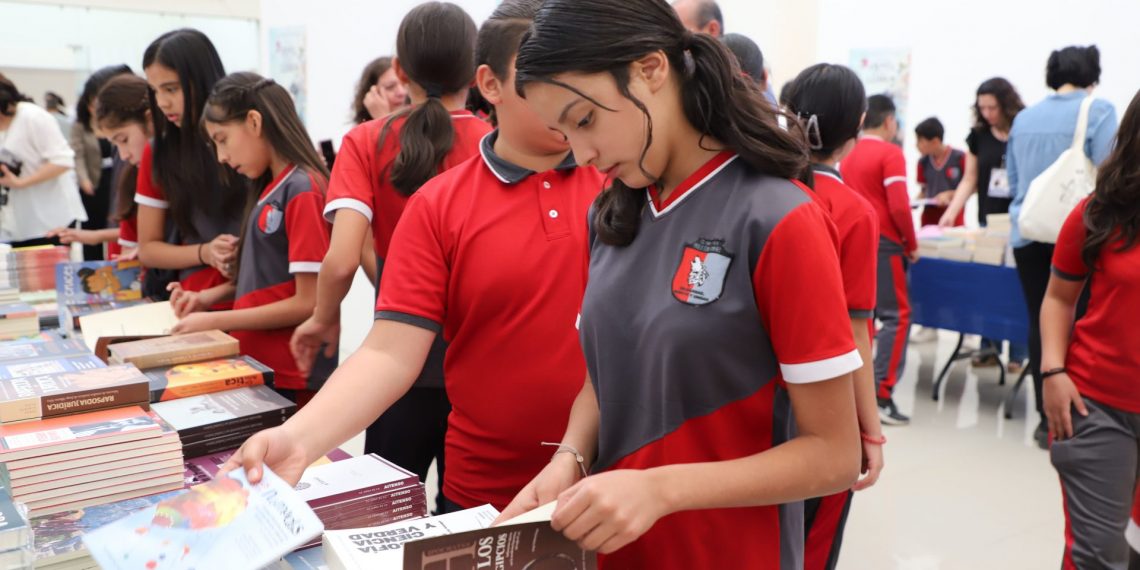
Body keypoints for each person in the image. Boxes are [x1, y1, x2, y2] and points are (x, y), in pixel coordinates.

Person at [500, 1, 860, 567]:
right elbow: (603, 376)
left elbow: (834, 455)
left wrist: (661, 489)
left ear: (650, 70)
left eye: (585, 120)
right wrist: (569, 458)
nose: (582, 155)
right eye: (564, 133)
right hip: (616, 550)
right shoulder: (613, 213)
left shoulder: (779, 218)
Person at [227, 0, 602, 513]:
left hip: (609, 486)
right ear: (488, 83)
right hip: (483, 492)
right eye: (543, 76)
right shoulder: (439, 204)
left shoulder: (622, 184)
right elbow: (390, 352)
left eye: (580, 76)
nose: (568, 97)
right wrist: (299, 438)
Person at [290, 1, 490, 513]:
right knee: (463, 521)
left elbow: (340, 260)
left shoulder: (364, 141)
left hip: (395, 368)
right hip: (477, 365)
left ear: (400, 71)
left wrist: (322, 318)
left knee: (382, 517)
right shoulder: (496, 144)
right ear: (476, 72)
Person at [172, 72, 331, 407]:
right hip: (261, 364)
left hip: (290, 370)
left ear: (255, 122)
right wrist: (205, 298)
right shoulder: (273, 188)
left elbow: (308, 302)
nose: (221, 156)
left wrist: (215, 320)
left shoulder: (302, 189)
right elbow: (269, 281)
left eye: (222, 139)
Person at [782, 63, 885, 570]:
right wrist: (870, 431)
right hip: (823, 409)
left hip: (758, 401)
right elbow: (854, 333)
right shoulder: (853, 212)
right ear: (858, 126)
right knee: (812, 545)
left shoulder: (762, 189)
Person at [1040, 87, 1140, 570]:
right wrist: (1052, 371)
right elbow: (1059, 298)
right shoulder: (1098, 213)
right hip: (1097, 404)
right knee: (1099, 555)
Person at [1007, 45, 1117, 449]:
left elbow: (1014, 180)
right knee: (1081, 321)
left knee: (1042, 320)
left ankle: (1045, 418)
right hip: (1078, 236)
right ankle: (1078, 414)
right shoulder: (1098, 110)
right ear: (1091, 75)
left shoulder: (1024, 118)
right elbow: (1110, 176)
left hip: (1028, 233)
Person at [137, 29, 245, 305]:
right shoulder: (159, 152)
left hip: (258, 295)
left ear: (202, 79)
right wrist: (205, 252)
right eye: (155, 91)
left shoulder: (249, 139)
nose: (162, 102)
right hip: (192, 302)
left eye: (171, 89)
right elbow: (148, 248)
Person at [938, 77, 1030, 374]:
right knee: (990, 284)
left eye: (993, 107)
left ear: (1006, 104)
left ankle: (1019, 352)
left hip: (1019, 221)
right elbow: (970, 178)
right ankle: (989, 348)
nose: (988, 113)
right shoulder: (978, 136)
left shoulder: (1024, 129)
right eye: (983, 108)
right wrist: (952, 211)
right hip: (988, 220)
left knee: (1017, 286)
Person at [841, 94, 916, 426]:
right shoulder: (890, 153)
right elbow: (899, 205)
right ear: (889, 121)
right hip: (885, 242)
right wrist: (910, 243)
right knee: (897, 316)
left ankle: (857, 393)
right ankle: (881, 394)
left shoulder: (850, 151)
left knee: (861, 316)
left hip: (853, 239)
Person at [0, 73, 86, 247]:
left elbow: (63, 161)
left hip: (49, 220)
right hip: (15, 224)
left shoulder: (32, 117)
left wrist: (21, 182)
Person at [61, 65, 134, 260]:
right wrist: (84, 179)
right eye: (92, 104)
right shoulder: (81, 125)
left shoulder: (134, 147)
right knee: (95, 222)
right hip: (94, 180)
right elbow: (77, 154)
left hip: (114, 178)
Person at [914, 117, 965, 227]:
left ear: (935, 142)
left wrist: (950, 195)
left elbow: (971, 187)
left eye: (920, 141)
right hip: (928, 222)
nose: (917, 145)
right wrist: (913, 203)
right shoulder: (923, 162)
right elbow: (924, 190)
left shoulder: (960, 158)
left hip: (953, 220)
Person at [351, 57, 408, 125]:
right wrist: (383, 119)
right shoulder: (360, 130)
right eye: (390, 87)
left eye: (405, 84)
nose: (402, 92)